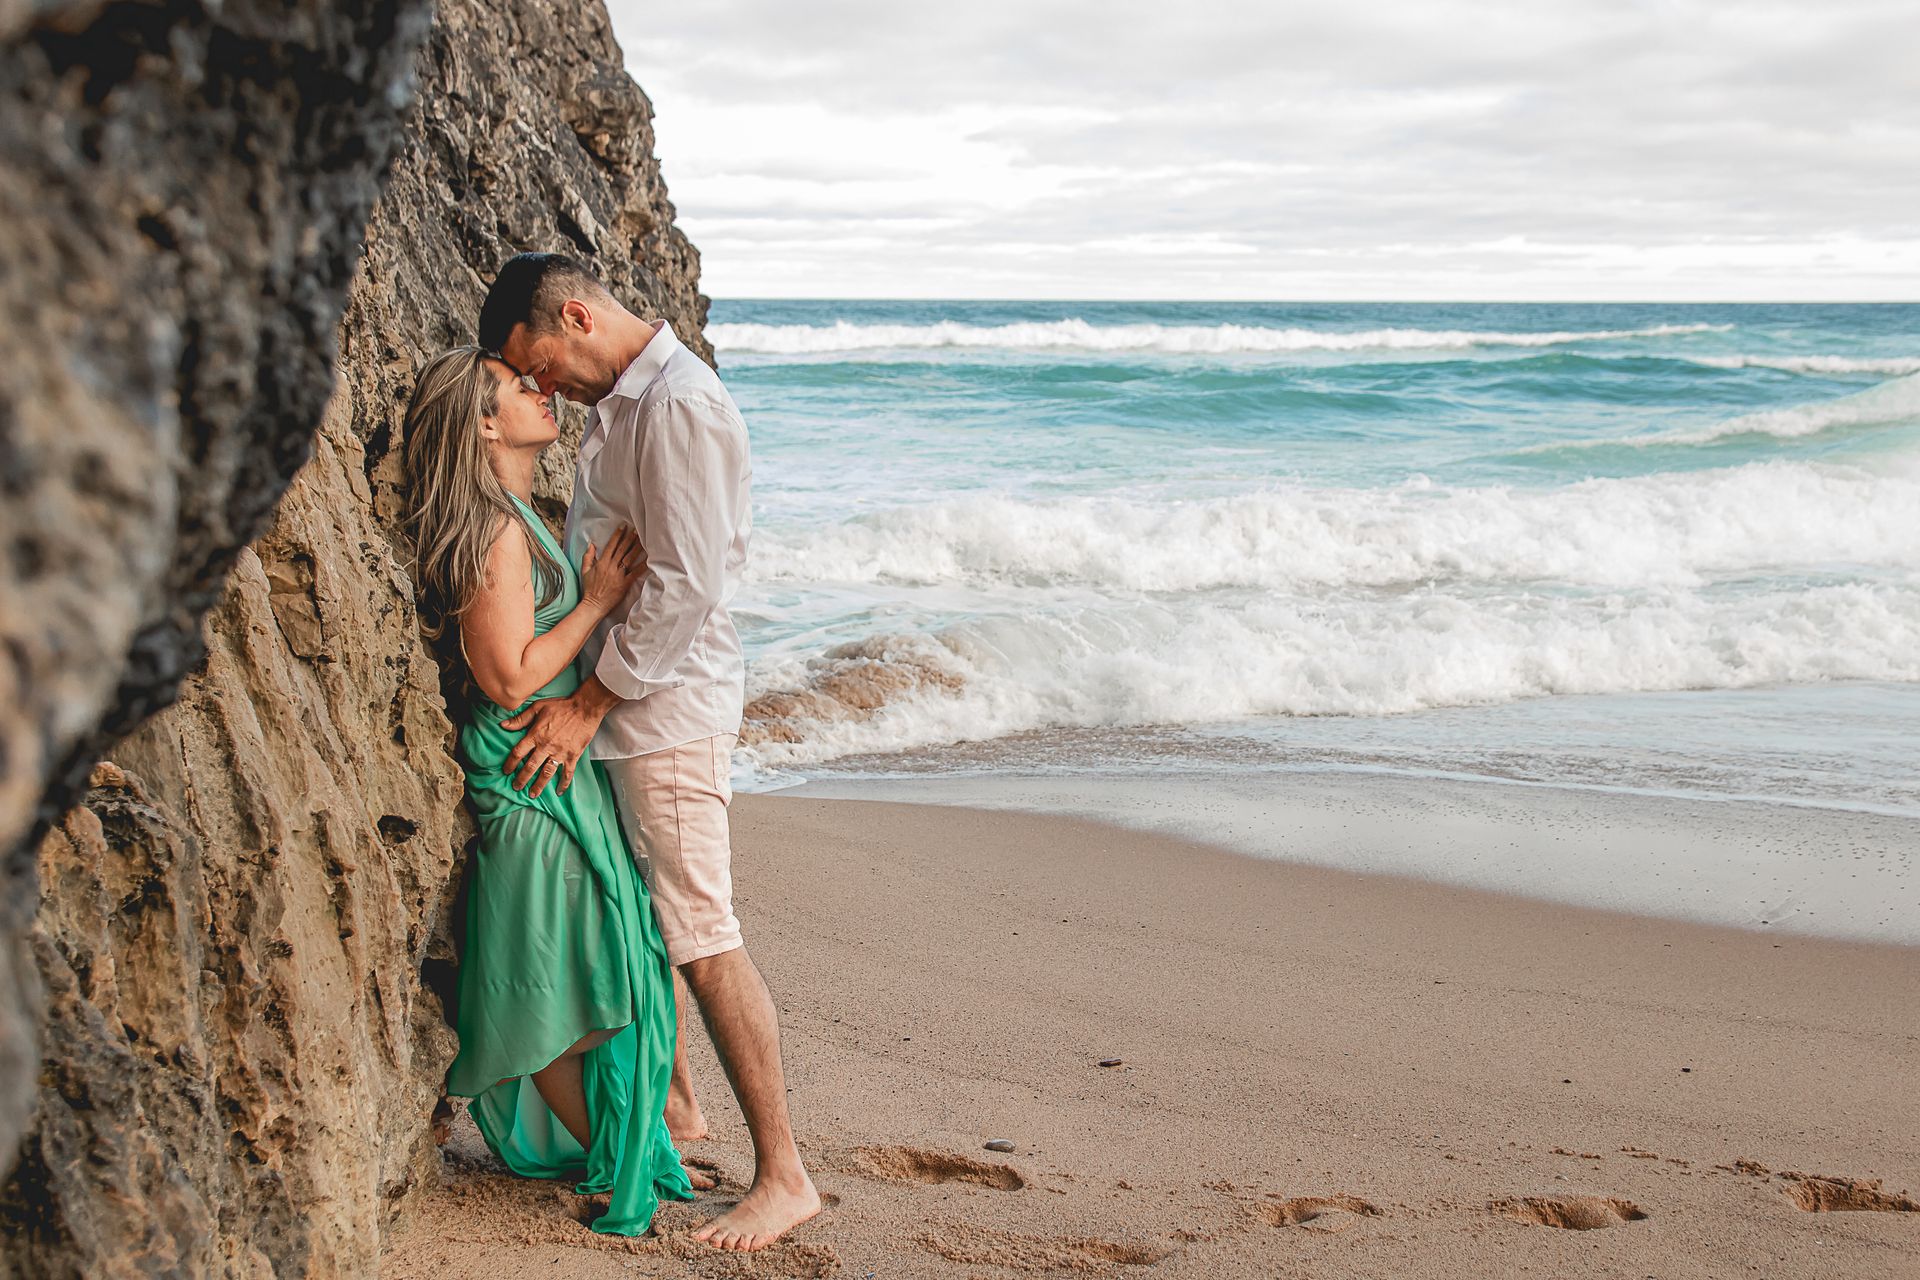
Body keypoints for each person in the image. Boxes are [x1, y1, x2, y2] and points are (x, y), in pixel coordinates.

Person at [477, 253, 821, 1252]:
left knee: (703, 938)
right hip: (634, 710)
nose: (537, 386)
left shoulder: (677, 404)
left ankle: (785, 1173)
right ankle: (673, 1111)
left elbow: (686, 584)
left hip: (667, 714)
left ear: (575, 314)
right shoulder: (623, 404)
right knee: (645, 924)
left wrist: (588, 701)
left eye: (534, 362)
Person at [403, 345, 695, 1235]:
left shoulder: (517, 515)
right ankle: (612, 1152)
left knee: (594, 962)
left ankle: (622, 1145)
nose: (540, 393)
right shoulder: (495, 529)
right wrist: (600, 600)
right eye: (518, 388)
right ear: (485, 423)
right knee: (557, 982)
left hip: (551, 767)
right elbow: (508, 674)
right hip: (527, 772)